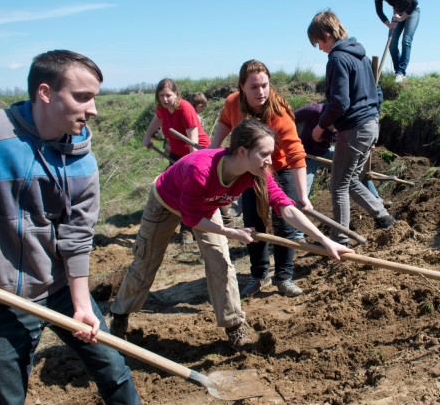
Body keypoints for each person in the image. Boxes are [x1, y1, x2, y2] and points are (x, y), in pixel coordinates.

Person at [0, 50, 183, 405]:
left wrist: (83, 306)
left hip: (61, 288)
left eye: (95, 97)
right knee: (6, 400)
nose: (94, 109)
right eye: (83, 96)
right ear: (45, 93)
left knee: (111, 364)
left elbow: (76, 238)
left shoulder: (82, 161)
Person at [109, 118, 352, 347]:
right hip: (165, 201)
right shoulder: (200, 169)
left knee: (221, 262)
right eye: (264, 154)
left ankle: (234, 325)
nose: (270, 160)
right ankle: (119, 314)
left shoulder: (256, 173)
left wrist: (324, 241)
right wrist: (230, 232)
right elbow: (191, 218)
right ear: (243, 151)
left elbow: (285, 207)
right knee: (146, 260)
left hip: (205, 206)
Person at [210, 60, 311, 298]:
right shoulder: (233, 103)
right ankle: (258, 275)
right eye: (254, 87)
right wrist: (212, 151)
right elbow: (225, 122)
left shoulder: (279, 113)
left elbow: (296, 153)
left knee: (284, 225)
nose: (261, 92)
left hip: (279, 169)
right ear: (242, 87)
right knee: (253, 224)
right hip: (250, 171)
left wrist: (303, 196)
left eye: (265, 85)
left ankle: (284, 277)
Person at [306, 10, 396, 247]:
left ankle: (340, 239)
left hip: (355, 129)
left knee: (338, 186)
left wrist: (321, 126)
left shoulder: (337, 59)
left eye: (318, 43)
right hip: (370, 125)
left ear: (326, 34)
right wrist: (372, 117)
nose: (320, 49)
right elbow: (377, 92)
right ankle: (384, 217)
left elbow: (339, 102)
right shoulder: (361, 57)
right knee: (352, 178)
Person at [142, 79, 211, 244]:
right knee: (175, 188)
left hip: (198, 152)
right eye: (161, 96)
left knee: (195, 189)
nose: (165, 99)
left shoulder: (185, 108)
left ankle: (204, 226)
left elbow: (193, 141)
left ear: (176, 94)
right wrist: (147, 136)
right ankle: (183, 227)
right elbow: (157, 120)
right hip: (176, 153)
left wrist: (192, 166)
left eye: (168, 95)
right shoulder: (162, 108)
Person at [295, 102, 383, 202]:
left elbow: (352, 141)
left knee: (359, 171)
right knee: (302, 194)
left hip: (326, 152)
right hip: (306, 156)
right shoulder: (314, 110)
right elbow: (290, 118)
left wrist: (367, 143)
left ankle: (377, 200)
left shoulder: (346, 123)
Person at [373, 0, 420, 83]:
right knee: (392, 44)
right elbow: (379, 11)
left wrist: (402, 17)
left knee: (406, 40)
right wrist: (389, 24)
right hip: (397, 14)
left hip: (412, 12)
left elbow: (414, 2)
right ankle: (398, 72)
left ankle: (401, 72)